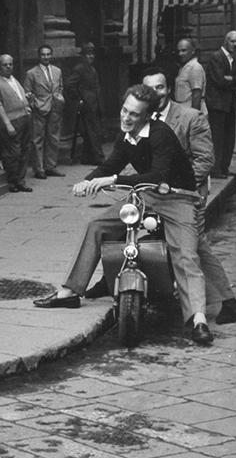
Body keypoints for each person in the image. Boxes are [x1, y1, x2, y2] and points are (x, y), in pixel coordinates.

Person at [33, 84, 213, 345]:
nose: (126, 118)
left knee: (186, 255)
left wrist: (112, 179)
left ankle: (198, 320)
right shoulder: (126, 135)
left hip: (178, 198)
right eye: (124, 110)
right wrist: (88, 181)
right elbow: (111, 163)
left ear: (148, 116)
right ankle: (70, 291)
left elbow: (157, 175)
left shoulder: (161, 134)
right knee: (97, 225)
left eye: (134, 114)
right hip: (146, 196)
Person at [142, 68, 236, 324]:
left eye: (160, 88)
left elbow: (205, 159)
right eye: (149, 89)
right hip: (158, 193)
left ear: (169, 90)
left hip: (188, 193)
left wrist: (177, 184)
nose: (156, 94)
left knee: (195, 244)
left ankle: (228, 302)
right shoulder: (144, 118)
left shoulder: (190, 117)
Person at [202, 30, 236, 178]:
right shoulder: (216, 57)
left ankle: (224, 167)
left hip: (230, 104)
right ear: (226, 41)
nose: (235, 44)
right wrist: (233, 79)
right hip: (217, 104)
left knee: (229, 137)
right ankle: (216, 169)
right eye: (233, 41)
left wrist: (230, 79)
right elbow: (219, 80)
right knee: (218, 138)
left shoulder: (234, 59)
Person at [23, 44, 65, 179]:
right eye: (43, 55)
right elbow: (27, 92)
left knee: (53, 138)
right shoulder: (31, 73)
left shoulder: (57, 71)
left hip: (55, 108)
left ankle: (50, 167)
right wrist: (35, 103)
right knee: (37, 139)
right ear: (39, 56)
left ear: (51, 55)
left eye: (48, 54)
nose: (46, 57)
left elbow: (60, 87)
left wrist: (59, 98)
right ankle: (39, 169)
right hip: (39, 109)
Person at [0, 54, 33, 193]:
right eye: (5, 64)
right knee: (12, 153)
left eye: (10, 64)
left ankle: (21, 181)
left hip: (24, 118)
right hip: (12, 120)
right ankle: (12, 181)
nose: (8, 67)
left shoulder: (14, 79)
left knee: (25, 150)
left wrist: (26, 102)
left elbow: (19, 95)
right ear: (0, 66)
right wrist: (7, 123)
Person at [65, 42, 105, 165]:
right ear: (83, 56)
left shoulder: (92, 69)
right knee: (92, 131)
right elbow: (69, 85)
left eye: (92, 54)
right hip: (87, 105)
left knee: (92, 131)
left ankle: (87, 157)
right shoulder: (80, 69)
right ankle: (98, 157)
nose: (91, 56)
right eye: (88, 54)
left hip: (94, 104)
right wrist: (79, 98)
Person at [174, 38, 206, 111]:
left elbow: (197, 94)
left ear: (193, 51)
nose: (180, 54)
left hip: (190, 109)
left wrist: (194, 115)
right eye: (178, 51)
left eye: (184, 50)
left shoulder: (195, 67)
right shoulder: (184, 67)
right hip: (183, 109)